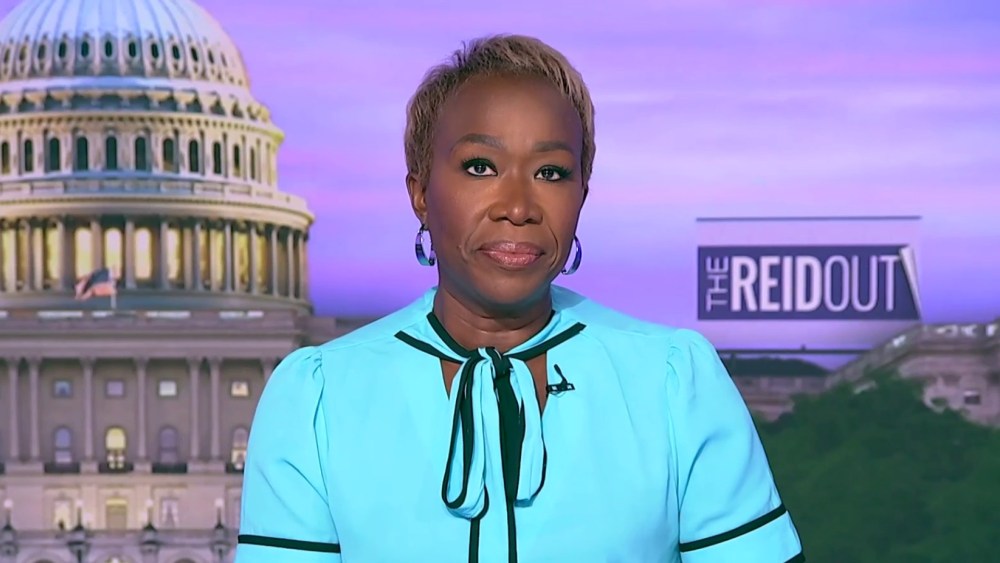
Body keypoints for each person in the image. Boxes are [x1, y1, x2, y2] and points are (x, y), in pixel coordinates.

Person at [235, 34, 804, 563]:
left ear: (582, 194)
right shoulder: (318, 397)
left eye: (551, 172)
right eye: (480, 167)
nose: (518, 206)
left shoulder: (674, 383)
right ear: (420, 192)